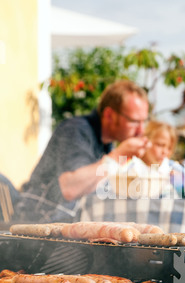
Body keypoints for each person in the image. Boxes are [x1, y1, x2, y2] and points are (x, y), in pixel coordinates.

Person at [12, 80, 150, 223]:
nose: (141, 130)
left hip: (67, 225)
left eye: (144, 121)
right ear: (109, 115)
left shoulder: (107, 144)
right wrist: (117, 156)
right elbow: (70, 189)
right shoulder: (75, 130)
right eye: (134, 121)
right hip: (36, 222)